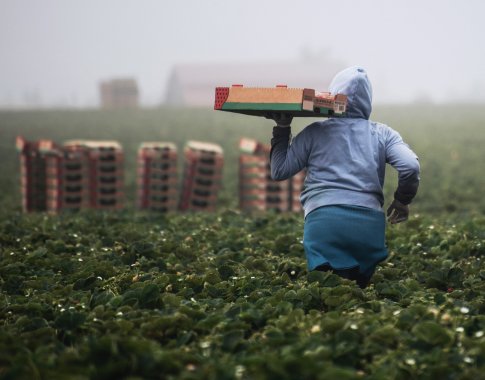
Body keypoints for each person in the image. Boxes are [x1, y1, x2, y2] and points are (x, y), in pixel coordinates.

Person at [268, 66, 420, 288]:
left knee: (327, 295)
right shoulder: (384, 134)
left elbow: (279, 170)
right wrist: (402, 201)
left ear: (333, 96)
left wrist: (282, 127)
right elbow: (410, 166)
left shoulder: (314, 132)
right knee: (360, 298)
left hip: (323, 222)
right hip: (368, 227)